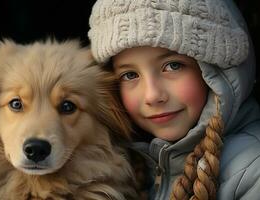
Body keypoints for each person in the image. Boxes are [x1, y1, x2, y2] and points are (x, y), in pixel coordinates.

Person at [88, 0, 260, 199]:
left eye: (173, 66)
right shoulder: (124, 170)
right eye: (130, 75)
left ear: (217, 70)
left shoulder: (252, 171)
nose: (152, 95)